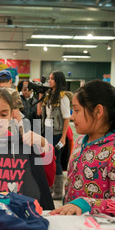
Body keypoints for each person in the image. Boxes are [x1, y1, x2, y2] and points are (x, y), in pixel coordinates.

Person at [51, 79, 115, 216]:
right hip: (74, 227)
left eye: (76, 110)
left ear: (98, 111)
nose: (72, 116)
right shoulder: (80, 142)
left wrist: (85, 204)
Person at [37, 70, 71, 200]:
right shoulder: (49, 95)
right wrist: (40, 95)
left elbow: (67, 118)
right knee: (47, 159)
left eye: (52, 79)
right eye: (49, 78)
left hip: (57, 133)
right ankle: (50, 187)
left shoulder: (63, 97)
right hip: (47, 131)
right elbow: (39, 112)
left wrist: (63, 138)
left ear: (58, 81)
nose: (49, 81)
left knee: (56, 160)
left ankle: (57, 191)